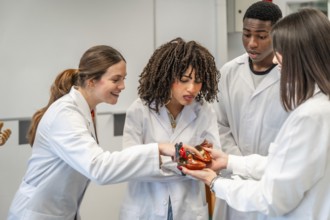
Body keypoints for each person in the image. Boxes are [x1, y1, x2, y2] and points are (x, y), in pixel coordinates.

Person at [7, 45, 199, 220]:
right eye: (116, 79)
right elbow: (99, 168)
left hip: (62, 211)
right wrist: (159, 149)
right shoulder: (66, 114)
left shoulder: (86, 110)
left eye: (123, 79)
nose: (123, 86)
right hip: (36, 214)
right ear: (91, 81)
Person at [182, 8, 330, 219]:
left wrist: (215, 182)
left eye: (282, 55)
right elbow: (283, 164)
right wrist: (230, 161)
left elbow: (272, 199)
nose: (277, 62)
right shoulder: (321, 106)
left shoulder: (309, 116)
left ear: (302, 57)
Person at [119, 37, 221, 220]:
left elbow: (211, 160)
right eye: (184, 79)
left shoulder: (205, 111)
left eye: (198, 81)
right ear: (167, 77)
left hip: (189, 209)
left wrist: (155, 161)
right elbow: (131, 162)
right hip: (144, 207)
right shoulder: (140, 109)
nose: (192, 88)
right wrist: (186, 164)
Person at [212, 1, 289, 219]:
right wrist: (238, 163)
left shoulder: (292, 76)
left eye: (262, 36)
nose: (252, 43)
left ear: (278, 34)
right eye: (246, 34)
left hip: (272, 180)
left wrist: (253, 166)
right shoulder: (228, 72)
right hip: (233, 179)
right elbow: (219, 124)